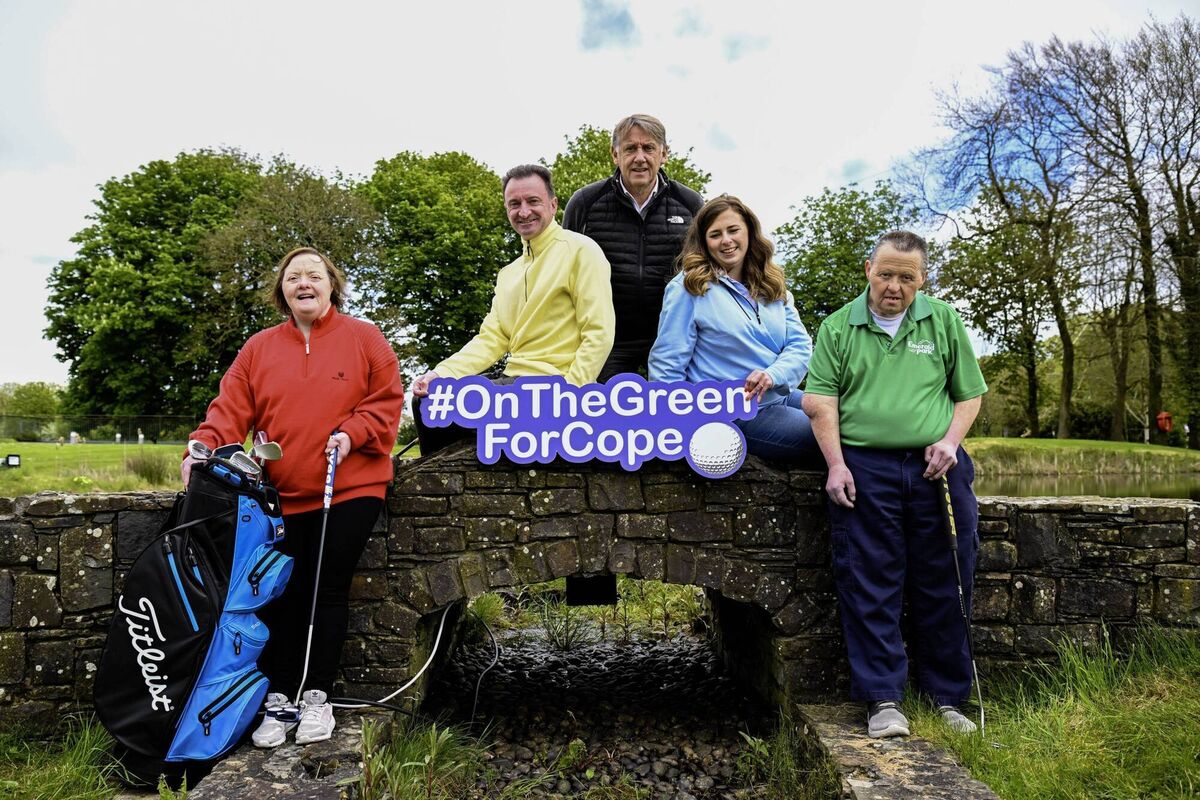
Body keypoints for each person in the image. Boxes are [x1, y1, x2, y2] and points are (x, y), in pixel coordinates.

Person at [182, 247, 404, 748]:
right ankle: (279, 699)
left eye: (314, 275)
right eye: (293, 277)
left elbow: (387, 399)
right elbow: (229, 410)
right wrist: (202, 448)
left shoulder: (365, 339)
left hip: (349, 488)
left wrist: (353, 431)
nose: (303, 283)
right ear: (282, 290)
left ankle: (317, 699)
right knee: (279, 595)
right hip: (281, 497)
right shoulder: (258, 349)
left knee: (325, 589)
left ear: (332, 285)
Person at [801, 231, 987, 739]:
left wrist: (950, 441)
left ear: (922, 279)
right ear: (868, 270)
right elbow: (820, 402)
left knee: (946, 577)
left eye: (907, 277)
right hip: (864, 466)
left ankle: (949, 698)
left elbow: (968, 395)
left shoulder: (943, 320)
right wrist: (836, 465)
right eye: (886, 273)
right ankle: (883, 699)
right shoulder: (839, 326)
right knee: (869, 579)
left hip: (938, 467)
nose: (894, 286)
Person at [412, 164, 615, 453]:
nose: (523, 212)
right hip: (513, 384)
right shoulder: (509, 273)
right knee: (430, 399)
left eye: (533, 201)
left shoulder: (581, 250)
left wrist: (571, 395)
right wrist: (440, 373)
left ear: (553, 205)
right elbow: (492, 339)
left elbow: (599, 332)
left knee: (441, 409)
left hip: (553, 388)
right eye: (514, 204)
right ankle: (443, 490)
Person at [648, 195, 818, 462]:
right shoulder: (689, 287)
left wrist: (772, 374)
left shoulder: (771, 284)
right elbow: (666, 363)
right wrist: (675, 427)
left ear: (749, 231)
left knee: (853, 419)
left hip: (781, 394)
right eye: (715, 234)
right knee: (833, 436)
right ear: (704, 242)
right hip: (734, 411)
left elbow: (800, 346)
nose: (726, 240)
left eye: (733, 230)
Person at [563, 114, 704, 381]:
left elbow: (706, 271)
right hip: (607, 337)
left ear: (664, 154)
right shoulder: (584, 202)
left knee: (675, 418)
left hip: (672, 337)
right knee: (603, 417)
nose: (640, 157)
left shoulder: (690, 203)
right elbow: (564, 271)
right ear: (615, 155)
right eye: (630, 148)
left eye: (648, 148)